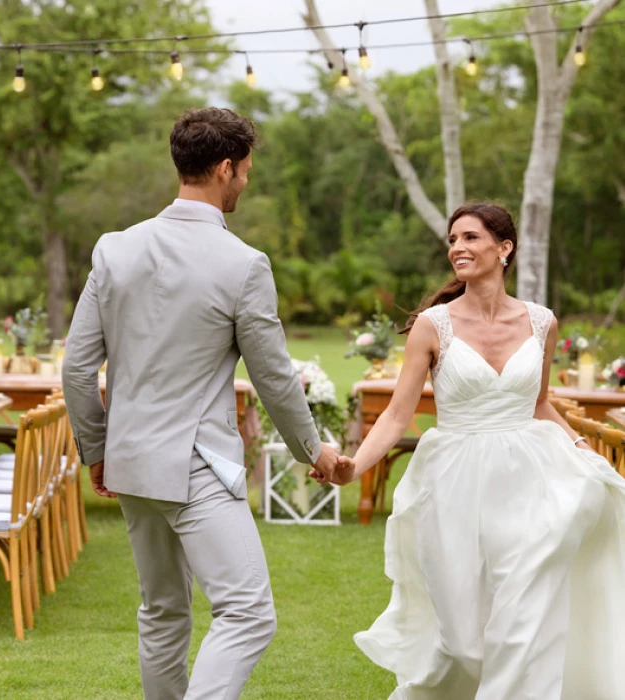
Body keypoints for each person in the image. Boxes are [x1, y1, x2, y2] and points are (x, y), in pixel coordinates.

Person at [62, 107, 338, 700]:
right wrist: (313, 449)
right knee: (248, 613)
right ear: (225, 167)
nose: (246, 182)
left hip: (130, 464)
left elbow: (77, 367)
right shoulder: (244, 264)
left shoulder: (114, 249)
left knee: (163, 613)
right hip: (196, 469)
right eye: (245, 172)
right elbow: (274, 377)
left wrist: (98, 450)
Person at [320, 203, 625, 699]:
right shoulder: (432, 326)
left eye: (470, 238)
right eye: (452, 240)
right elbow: (397, 415)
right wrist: (356, 468)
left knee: (522, 620)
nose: (457, 248)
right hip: (454, 483)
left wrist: (581, 449)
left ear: (504, 249)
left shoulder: (542, 322)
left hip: (535, 479)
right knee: (463, 643)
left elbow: (540, 403)